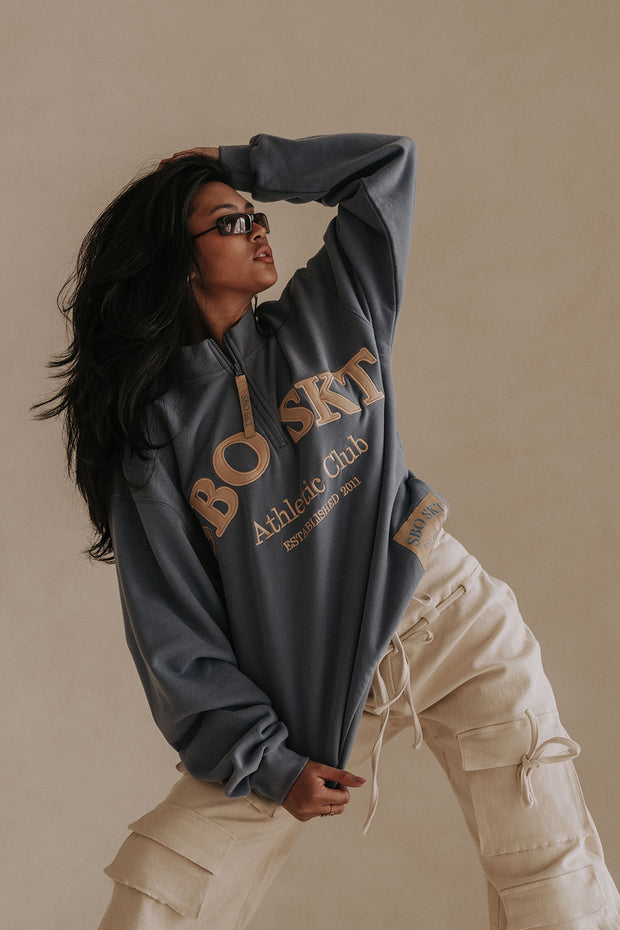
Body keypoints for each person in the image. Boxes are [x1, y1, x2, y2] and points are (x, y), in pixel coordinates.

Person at [38, 133, 620, 929]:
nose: (259, 228)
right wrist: (269, 763)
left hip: (450, 617)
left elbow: (387, 166)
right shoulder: (152, 434)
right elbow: (175, 634)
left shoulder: (333, 310)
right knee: (161, 886)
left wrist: (237, 166)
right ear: (177, 258)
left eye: (254, 215)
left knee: (551, 869)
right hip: (305, 688)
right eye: (231, 222)